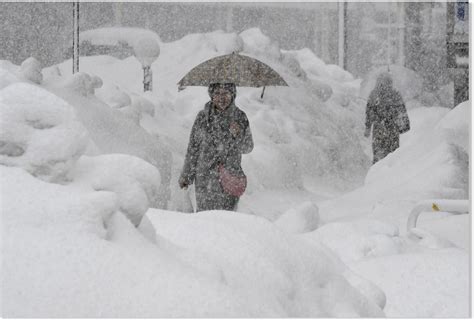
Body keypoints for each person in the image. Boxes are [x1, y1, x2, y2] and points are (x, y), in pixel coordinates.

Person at [179, 83, 254, 212]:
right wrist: (186, 175)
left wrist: (238, 135)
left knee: (227, 220)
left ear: (233, 95)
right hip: (205, 178)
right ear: (211, 95)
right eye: (217, 93)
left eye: (225, 93)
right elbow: (193, 148)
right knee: (205, 219)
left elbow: (248, 147)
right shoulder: (202, 117)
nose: (221, 97)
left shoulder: (240, 117)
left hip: (230, 177)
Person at [364, 72, 410, 164]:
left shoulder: (374, 95)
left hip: (379, 129)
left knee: (379, 154)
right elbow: (402, 112)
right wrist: (404, 126)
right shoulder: (396, 95)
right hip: (392, 129)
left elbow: (369, 113)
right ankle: (390, 172)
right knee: (392, 155)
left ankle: (377, 172)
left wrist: (368, 127)